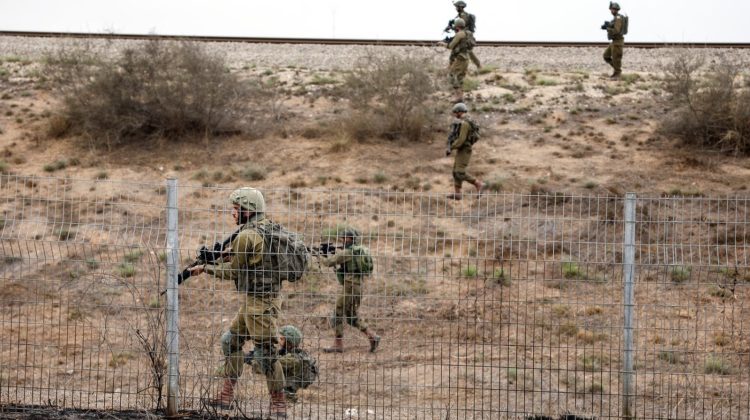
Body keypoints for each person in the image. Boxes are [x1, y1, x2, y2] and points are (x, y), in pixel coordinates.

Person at [188, 187, 288, 417]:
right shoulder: (266, 227)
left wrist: (206, 268)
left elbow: (234, 272)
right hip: (259, 301)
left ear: (247, 211)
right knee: (230, 341)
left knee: (266, 353)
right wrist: (226, 255)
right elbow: (252, 259)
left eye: (236, 209)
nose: (232, 213)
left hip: (260, 305)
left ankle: (279, 404)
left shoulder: (246, 235)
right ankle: (225, 397)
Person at [319, 228, 380, 353]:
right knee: (352, 316)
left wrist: (320, 254)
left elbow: (328, 262)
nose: (342, 240)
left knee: (337, 313)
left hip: (349, 287)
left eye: (344, 238)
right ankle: (372, 336)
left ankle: (338, 344)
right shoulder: (357, 251)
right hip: (357, 286)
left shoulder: (347, 253)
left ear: (350, 239)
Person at [245, 325, 319, 403]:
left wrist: (250, 360)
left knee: (273, 369)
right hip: (290, 385)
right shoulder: (289, 352)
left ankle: (285, 400)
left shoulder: (292, 358)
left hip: (289, 391)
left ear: (289, 341)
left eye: (282, 339)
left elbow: (271, 365)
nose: (279, 341)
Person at [445, 102, 483, 200]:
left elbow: (461, 140)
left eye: (456, 112)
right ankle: (457, 193)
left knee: (459, 172)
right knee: (455, 172)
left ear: (460, 112)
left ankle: (478, 184)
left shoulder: (465, 124)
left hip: (465, 149)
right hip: (461, 149)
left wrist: (451, 147)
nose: (455, 115)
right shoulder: (463, 122)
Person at [445, 18, 476, 103]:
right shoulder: (467, 33)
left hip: (460, 58)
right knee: (460, 77)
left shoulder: (459, 34)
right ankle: (460, 97)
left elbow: (451, 46)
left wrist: (442, 44)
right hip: (466, 58)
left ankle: (458, 97)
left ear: (457, 26)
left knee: (452, 75)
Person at [452, 1, 481, 69]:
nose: (456, 8)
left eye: (457, 7)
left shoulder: (463, 15)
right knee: (467, 51)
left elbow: (462, 26)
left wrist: (453, 28)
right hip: (465, 35)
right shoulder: (462, 15)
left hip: (464, 36)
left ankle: (478, 65)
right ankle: (478, 65)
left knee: (463, 50)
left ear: (460, 7)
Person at [602, 2, 626, 80]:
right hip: (614, 41)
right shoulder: (616, 18)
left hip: (618, 42)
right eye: (611, 9)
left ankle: (617, 73)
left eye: (613, 9)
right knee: (606, 56)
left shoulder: (618, 18)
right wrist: (608, 25)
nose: (612, 11)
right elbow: (614, 27)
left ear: (616, 10)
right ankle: (617, 70)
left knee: (616, 58)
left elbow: (616, 30)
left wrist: (607, 28)